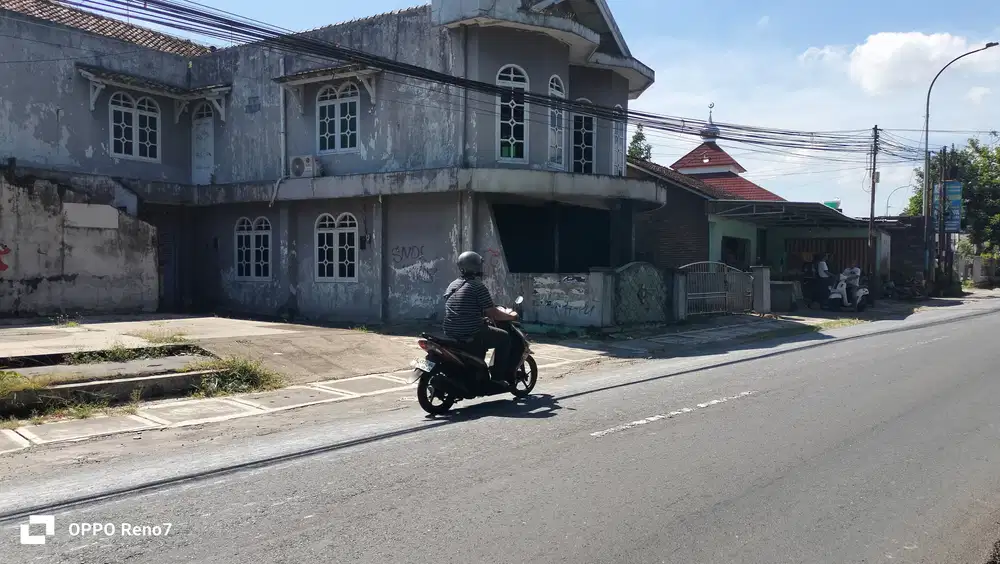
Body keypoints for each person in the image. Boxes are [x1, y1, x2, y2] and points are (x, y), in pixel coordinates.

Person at [442, 251, 519, 384]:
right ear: (477, 267)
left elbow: (461, 307)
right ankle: (498, 378)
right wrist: (512, 316)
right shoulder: (477, 286)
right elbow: (493, 313)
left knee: (486, 335)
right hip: (471, 331)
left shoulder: (453, 285)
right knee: (504, 337)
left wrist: (479, 316)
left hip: (450, 331)